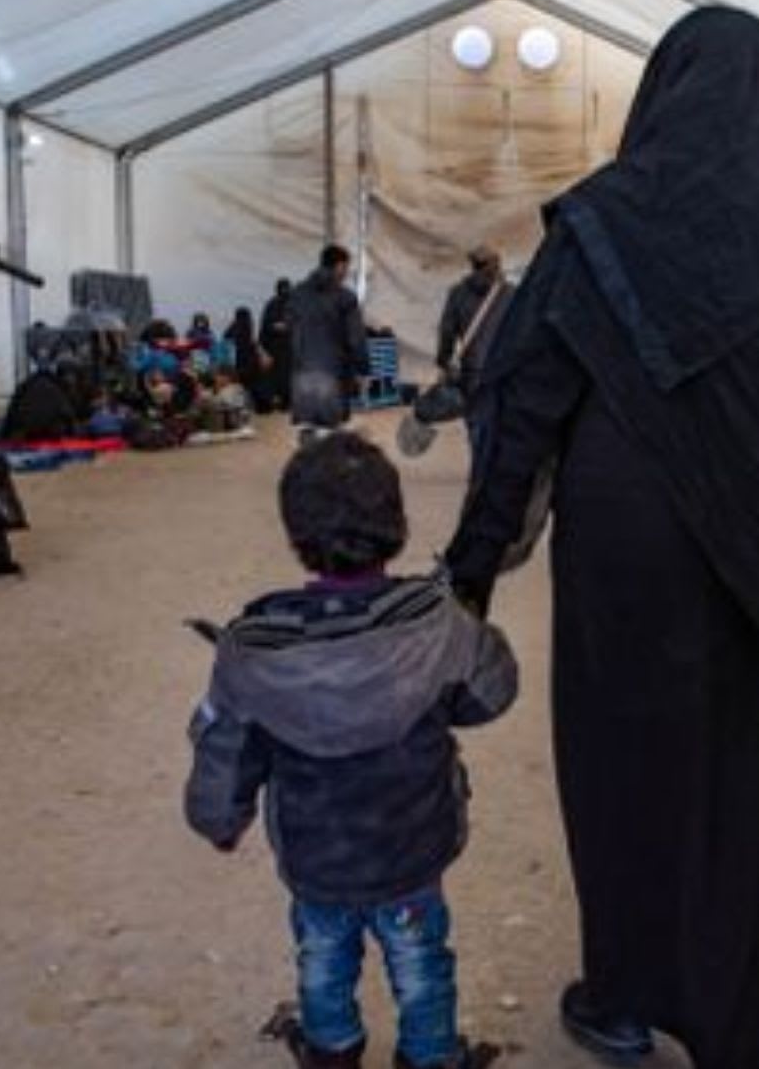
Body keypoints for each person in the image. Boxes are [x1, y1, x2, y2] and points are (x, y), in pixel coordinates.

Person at [441, 8, 759, 1069]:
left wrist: (472, 571)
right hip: (742, 548)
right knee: (725, 781)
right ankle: (726, 1019)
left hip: (621, 544)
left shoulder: (608, 222)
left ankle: (622, 994)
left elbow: (529, 394)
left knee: (616, 767)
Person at [182, 432, 515, 1069]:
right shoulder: (438, 621)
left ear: (296, 536)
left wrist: (219, 821)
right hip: (413, 845)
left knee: (322, 957)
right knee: (421, 961)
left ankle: (331, 1049)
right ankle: (432, 1056)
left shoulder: (252, 651)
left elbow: (225, 748)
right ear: (397, 525)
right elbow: (491, 694)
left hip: (317, 856)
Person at [287, 246, 369, 436]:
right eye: (346, 268)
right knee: (331, 436)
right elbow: (356, 338)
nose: (346, 273)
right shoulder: (345, 297)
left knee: (307, 431)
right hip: (332, 375)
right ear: (339, 266)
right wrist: (363, 369)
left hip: (302, 375)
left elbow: (290, 326)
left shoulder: (297, 293)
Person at [437, 245, 506, 383]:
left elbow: (447, 332)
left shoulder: (457, 293)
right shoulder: (510, 294)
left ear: (473, 265)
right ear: (497, 265)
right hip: (502, 370)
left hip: (472, 370)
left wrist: (444, 361)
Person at [260, 277, 296, 411]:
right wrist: (275, 326)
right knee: (273, 376)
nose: (285, 291)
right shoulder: (271, 304)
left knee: (288, 375)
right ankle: (273, 401)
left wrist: (288, 326)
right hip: (274, 347)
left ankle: (287, 402)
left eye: (287, 288)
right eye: (283, 288)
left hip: (289, 347)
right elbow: (265, 325)